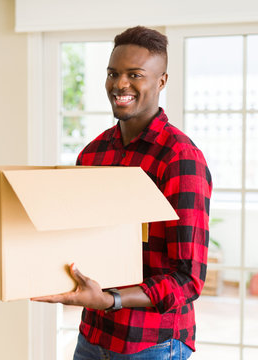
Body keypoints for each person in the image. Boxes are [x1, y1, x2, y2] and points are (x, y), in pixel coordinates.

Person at [32, 26, 212, 359]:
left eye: (135, 74)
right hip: (93, 336)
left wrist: (112, 299)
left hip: (152, 344)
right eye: (113, 73)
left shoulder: (179, 158)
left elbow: (188, 279)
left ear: (161, 81)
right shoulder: (93, 153)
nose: (120, 84)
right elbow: (82, 238)